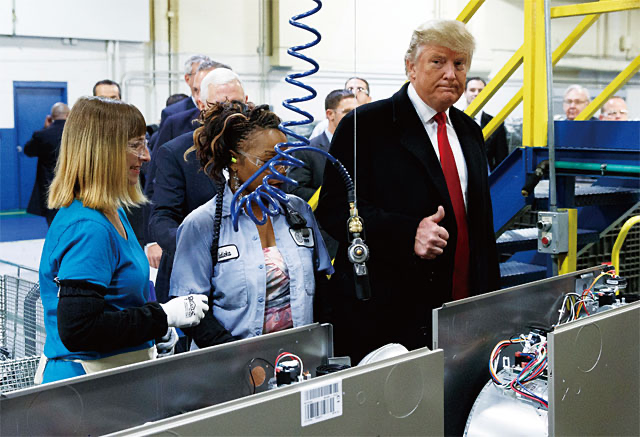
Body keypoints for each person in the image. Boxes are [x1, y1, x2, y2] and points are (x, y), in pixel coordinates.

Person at [315, 19, 500, 363]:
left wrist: (490, 301)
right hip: (391, 313)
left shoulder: (469, 131)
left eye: (459, 64)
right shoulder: (365, 125)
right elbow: (334, 208)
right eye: (437, 61)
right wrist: (407, 232)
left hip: (464, 307)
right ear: (410, 67)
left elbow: (480, 224)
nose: (451, 74)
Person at [37, 97, 208, 384]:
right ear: (103, 150)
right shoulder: (89, 228)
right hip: (86, 384)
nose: (146, 156)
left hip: (114, 377)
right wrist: (162, 316)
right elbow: (80, 329)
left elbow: (116, 303)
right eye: (135, 145)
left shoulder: (111, 211)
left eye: (145, 143)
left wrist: (151, 331)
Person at [170, 101, 334, 347]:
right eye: (268, 160)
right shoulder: (203, 225)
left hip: (298, 355)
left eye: (284, 159)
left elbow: (321, 288)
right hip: (229, 363)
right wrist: (240, 360)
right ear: (234, 159)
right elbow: (191, 310)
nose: (280, 170)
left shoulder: (298, 211)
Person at [147, 68, 248, 304]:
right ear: (201, 106)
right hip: (194, 279)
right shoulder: (177, 153)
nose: (229, 114)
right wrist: (197, 247)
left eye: (236, 105)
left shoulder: (258, 150)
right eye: (219, 106)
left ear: (246, 101)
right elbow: (162, 218)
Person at [23, 102, 69, 226]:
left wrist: (45, 128)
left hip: (49, 188)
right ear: (68, 115)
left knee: (53, 224)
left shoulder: (42, 135)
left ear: (51, 117)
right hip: (72, 187)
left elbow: (28, 151)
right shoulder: (76, 134)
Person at [464, 77, 509, 171]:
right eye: (472, 90)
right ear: (464, 92)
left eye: (480, 91)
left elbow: (501, 160)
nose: (476, 94)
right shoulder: (451, 120)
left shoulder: (496, 123)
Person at [159, 54, 211, 126]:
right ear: (187, 79)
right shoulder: (172, 113)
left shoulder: (221, 109)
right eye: (199, 73)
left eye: (210, 74)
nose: (206, 77)